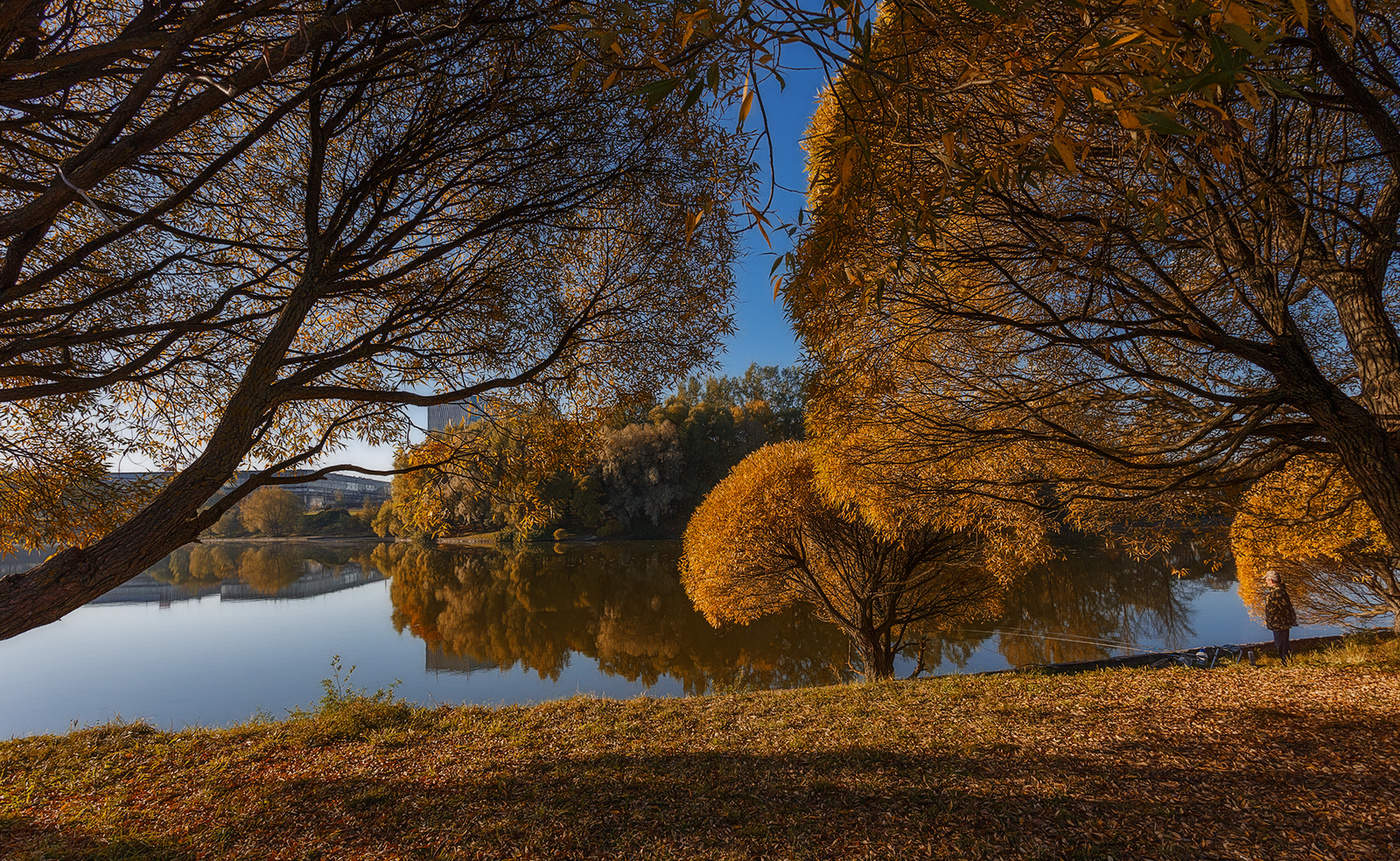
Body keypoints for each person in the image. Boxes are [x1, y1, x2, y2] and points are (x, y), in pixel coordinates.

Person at [1263, 569, 1297, 665]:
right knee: (1281, 644)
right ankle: (1286, 663)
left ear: (1271, 580)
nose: (1266, 582)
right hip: (1278, 623)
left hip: (1280, 624)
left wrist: (1279, 620)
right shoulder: (1278, 591)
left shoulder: (1277, 593)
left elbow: (1284, 609)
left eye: (1267, 580)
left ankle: (1287, 663)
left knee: (1281, 645)